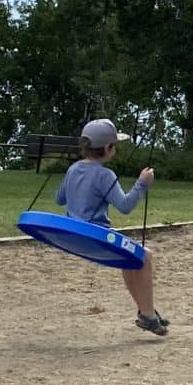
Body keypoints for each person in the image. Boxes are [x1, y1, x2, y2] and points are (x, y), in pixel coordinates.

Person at [56, 119, 167, 335]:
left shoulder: (72, 169)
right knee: (145, 257)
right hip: (96, 237)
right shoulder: (105, 175)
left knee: (131, 258)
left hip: (73, 236)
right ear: (108, 149)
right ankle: (148, 315)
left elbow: (60, 199)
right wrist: (142, 183)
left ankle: (146, 311)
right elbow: (125, 206)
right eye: (114, 145)